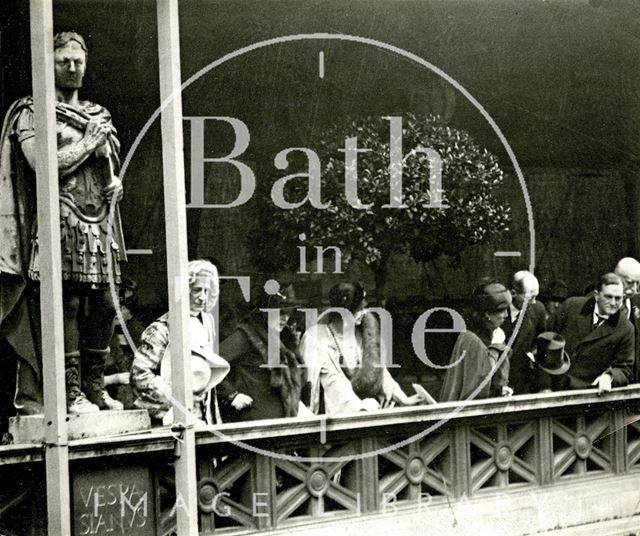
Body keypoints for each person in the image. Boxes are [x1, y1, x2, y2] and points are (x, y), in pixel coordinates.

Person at [0, 32, 126, 414]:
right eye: (63, 61)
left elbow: (108, 166)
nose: (72, 67)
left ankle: (94, 385)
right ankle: (70, 392)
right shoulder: (32, 111)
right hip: (61, 217)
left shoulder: (98, 113)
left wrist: (116, 183)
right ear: (48, 65)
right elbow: (42, 166)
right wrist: (88, 142)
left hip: (101, 221)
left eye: (78, 61)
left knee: (106, 303)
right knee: (67, 302)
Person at [131, 260, 230, 425]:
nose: (202, 297)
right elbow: (140, 375)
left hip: (203, 417)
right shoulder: (161, 328)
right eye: (197, 290)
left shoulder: (207, 322)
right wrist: (175, 402)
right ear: (185, 290)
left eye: (207, 290)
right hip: (171, 420)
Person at [303, 282, 422, 416]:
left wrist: (402, 398)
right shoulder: (317, 338)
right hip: (337, 413)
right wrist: (361, 408)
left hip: (367, 409)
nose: (364, 312)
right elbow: (333, 382)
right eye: (359, 309)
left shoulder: (361, 334)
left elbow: (378, 371)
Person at [217, 282, 304, 422]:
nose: (285, 318)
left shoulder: (282, 339)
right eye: (279, 312)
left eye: (288, 312)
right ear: (263, 312)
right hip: (253, 422)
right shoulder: (246, 336)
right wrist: (231, 395)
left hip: (282, 419)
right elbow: (211, 365)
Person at [544, 272, 634, 393]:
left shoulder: (625, 328)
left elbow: (625, 369)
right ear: (597, 295)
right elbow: (543, 342)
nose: (613, 303)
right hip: (550, 387)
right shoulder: (571, 306)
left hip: (585, 395)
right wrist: (544, 386)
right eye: (608, 297)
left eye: (618, 298)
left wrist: (609, 377)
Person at [440, 280, 513, 402]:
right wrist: (496, 347)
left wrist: (501, 390)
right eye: (501, 311)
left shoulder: (494, 334)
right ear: (487, 314)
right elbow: (479, 383)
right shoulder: (472, 339)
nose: (506, 315)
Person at [503, 271, 547, 394]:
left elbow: (540, 344)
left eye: (536, 296)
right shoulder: (497, 308)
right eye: (530, 297)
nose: (534, 302)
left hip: (522, 382)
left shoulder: (538, 310)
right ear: (513, 293)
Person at [614, 257, 640, 382]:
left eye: (638, 283)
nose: (634, 290)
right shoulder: (599, 306)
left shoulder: (637, 305)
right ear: (616, 278)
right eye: (629, 283)